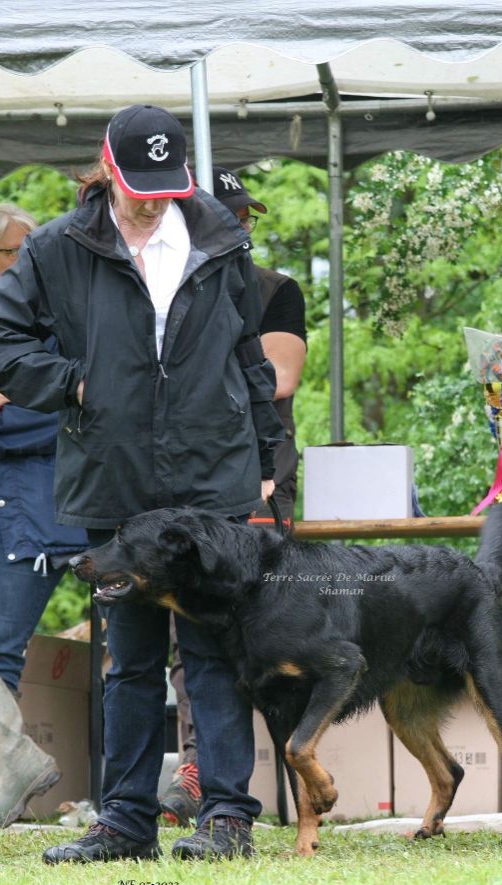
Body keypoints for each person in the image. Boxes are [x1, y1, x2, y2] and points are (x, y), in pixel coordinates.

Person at [0, 105, 284, 862]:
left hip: (212, 475)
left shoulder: (218, 237)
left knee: (212, 651)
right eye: (138, 184)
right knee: (132, 658)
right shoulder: (56, 247)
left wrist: (272, 454)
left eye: (165, 185)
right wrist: (75, 384)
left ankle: (227, 816)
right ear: (107, 170)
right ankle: (125, 821)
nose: (151, 199)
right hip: (115, 478)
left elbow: (248, 352)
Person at [160, 166, 307, 826]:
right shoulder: (157, 288)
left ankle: (297, 776)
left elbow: (277, 377)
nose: (243, 226)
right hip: (181, 480)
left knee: (272, 632)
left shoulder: (275, 289)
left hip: (259, 480)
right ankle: (200, 770)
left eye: (248, 217)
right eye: (233, 216)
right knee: (192, 634)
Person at [0, 203, 87, 831]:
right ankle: (20, 758)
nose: (32, 259)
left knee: (0, 649)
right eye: (17, 251)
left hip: (32, 507)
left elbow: (57, 410)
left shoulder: (58, 319)